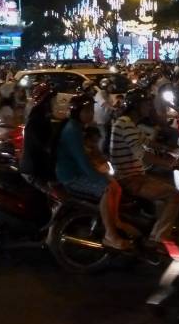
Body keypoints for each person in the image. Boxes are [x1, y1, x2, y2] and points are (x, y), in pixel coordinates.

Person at [56, 95, 133, 250]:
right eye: (87, 110)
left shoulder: (79, 128)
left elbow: (90, 155)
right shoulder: (72, 130)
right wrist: (99, 179)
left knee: (115, 186)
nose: (91, 114)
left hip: (79, 171)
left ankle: (115, 219)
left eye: (91, 110)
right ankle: (110, 235)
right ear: (77, 112)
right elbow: (82, 161)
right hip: (71, 176)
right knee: (106, 188)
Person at [110, 89, 179, 245]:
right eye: (146, 105)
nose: (149, 108)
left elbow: (147, 142)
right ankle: (158, 238)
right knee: (174, 195)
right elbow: (142, 154)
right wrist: (170, 163)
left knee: (164, 188)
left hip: (135, 175)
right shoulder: (125, 123)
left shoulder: (129, 123)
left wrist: (172, 150)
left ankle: (159, 229)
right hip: (130, 179)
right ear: (136, 106)